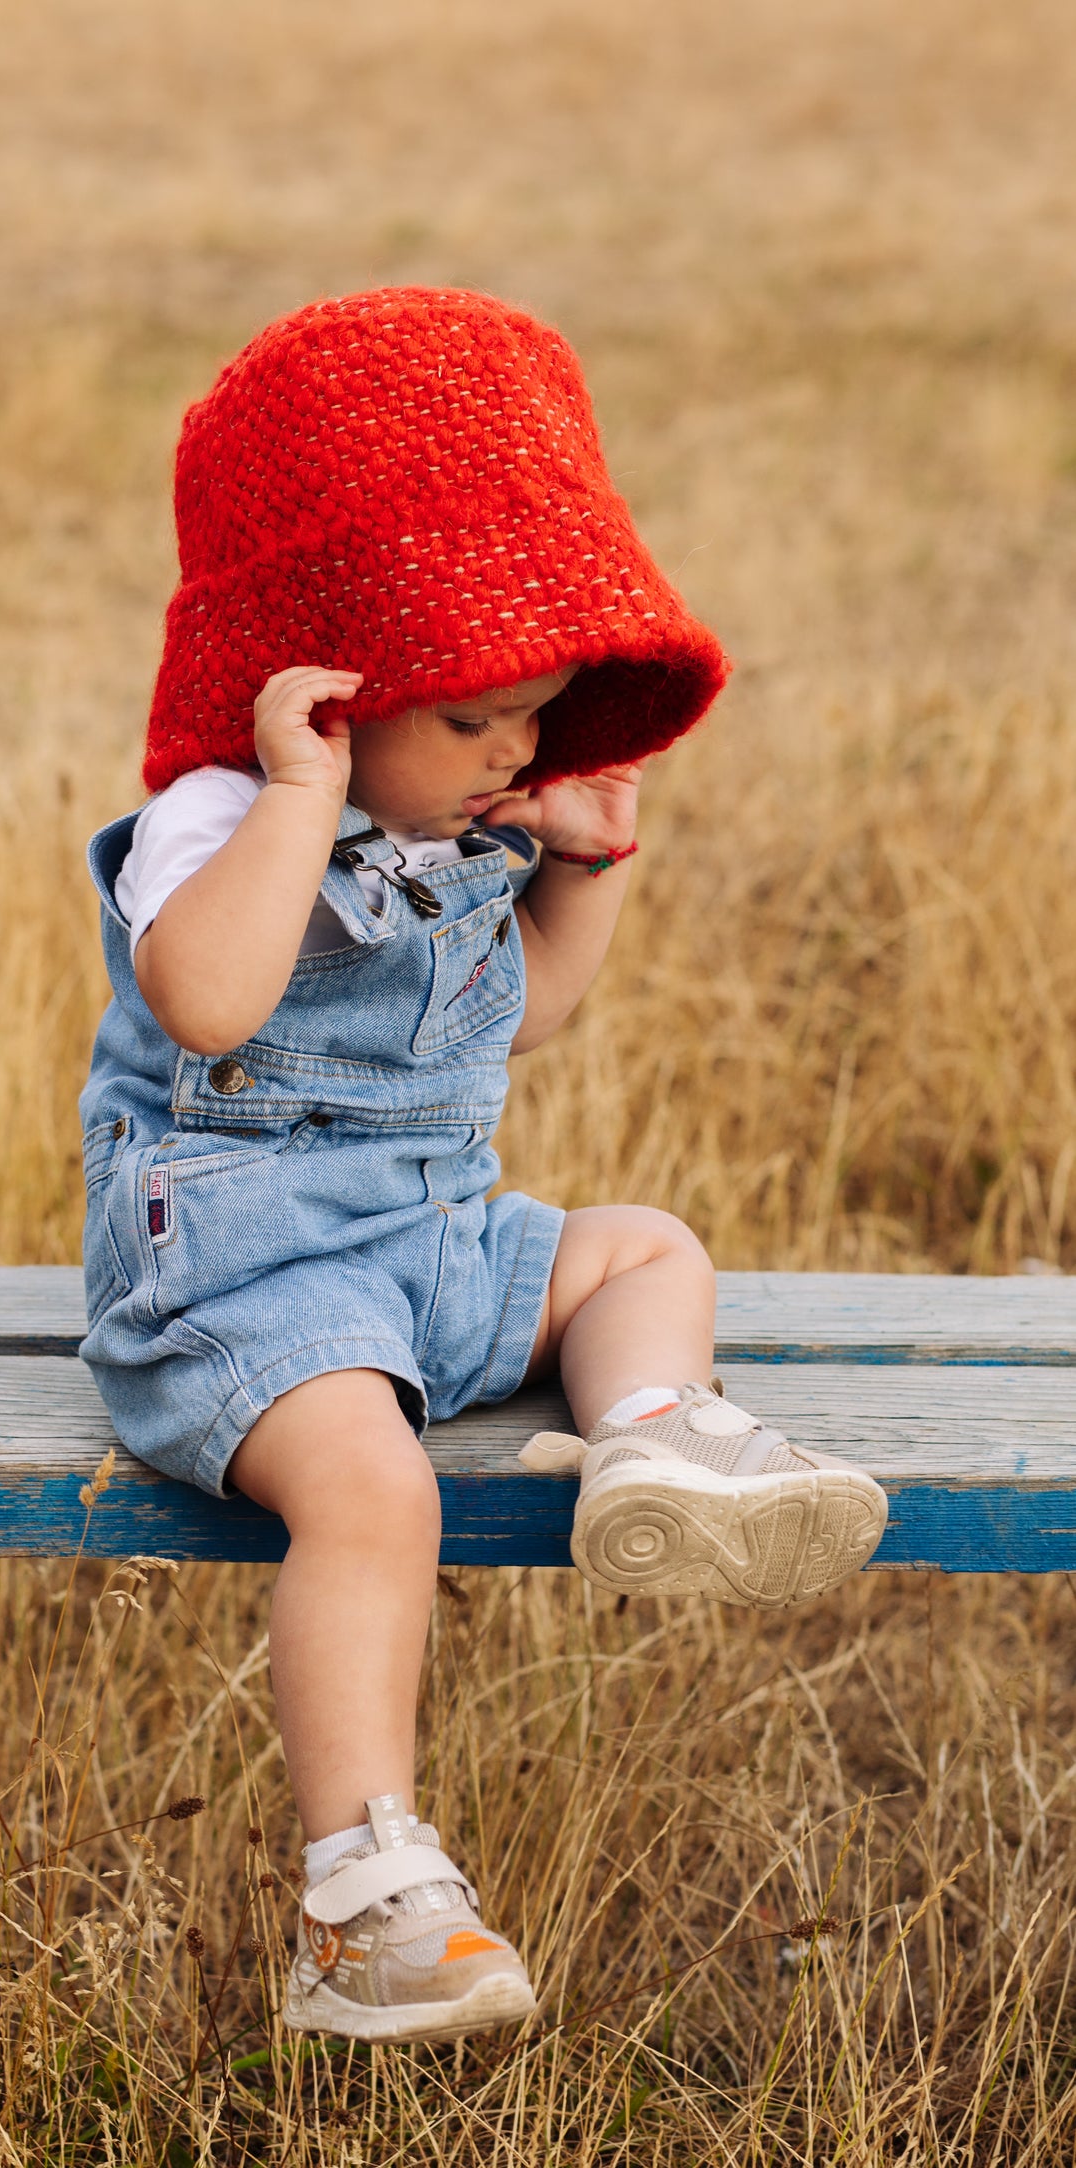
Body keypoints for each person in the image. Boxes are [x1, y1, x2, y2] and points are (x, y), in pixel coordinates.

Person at [78, 289, 887, 2044]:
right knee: (378, 1489)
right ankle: (365, 1901)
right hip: (239, 1286)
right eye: (477, 718)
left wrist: (580, 872)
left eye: (538, 713)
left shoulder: (464, 817)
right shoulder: (217, 823)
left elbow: (508, 1029)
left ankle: (659, 1442)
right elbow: (209, 1001)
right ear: (319, 697)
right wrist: (299, 798)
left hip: (427, 1242)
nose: (519, 749)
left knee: (641, 1248)